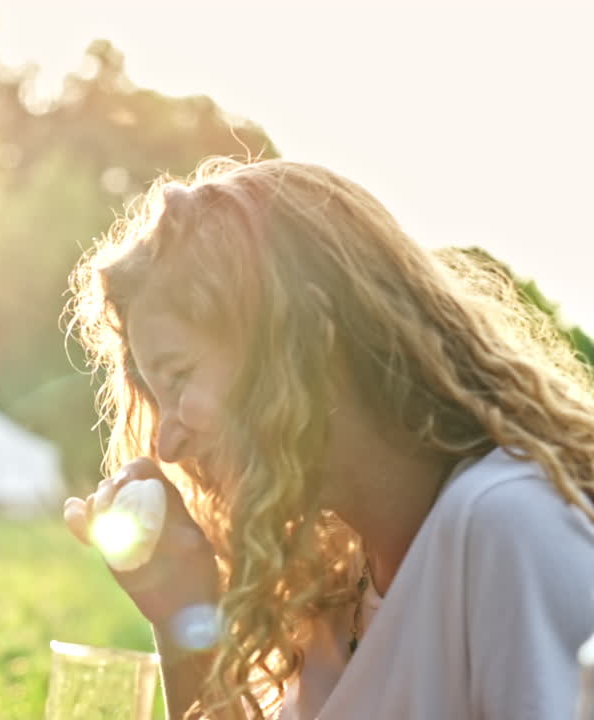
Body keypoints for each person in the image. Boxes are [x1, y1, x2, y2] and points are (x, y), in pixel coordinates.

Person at [62, 157, 594, 719]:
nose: (167, 445)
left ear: (307, 346)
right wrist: (181, 619)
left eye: (180, 376)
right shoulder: (338, 585)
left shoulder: (508, 525)